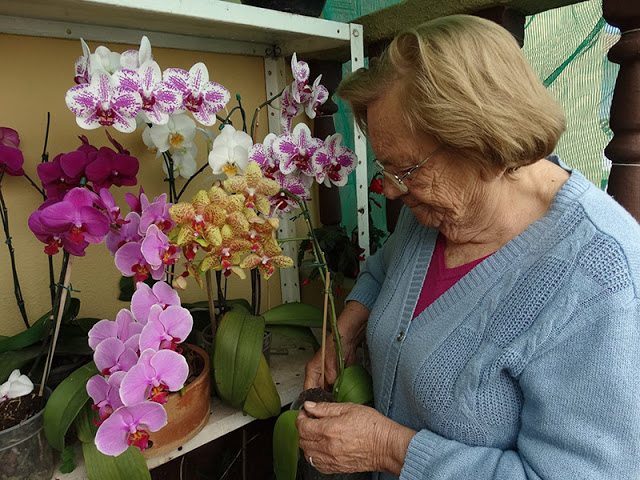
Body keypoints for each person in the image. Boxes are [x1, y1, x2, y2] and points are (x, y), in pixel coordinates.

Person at [296, 14, 640, 480]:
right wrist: (351, 324)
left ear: (486, 145)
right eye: (386, 168)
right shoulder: (438, 212)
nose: (391, 191)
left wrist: (390, 450)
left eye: (406, 170)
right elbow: (384, 271)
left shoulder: (599, 277)